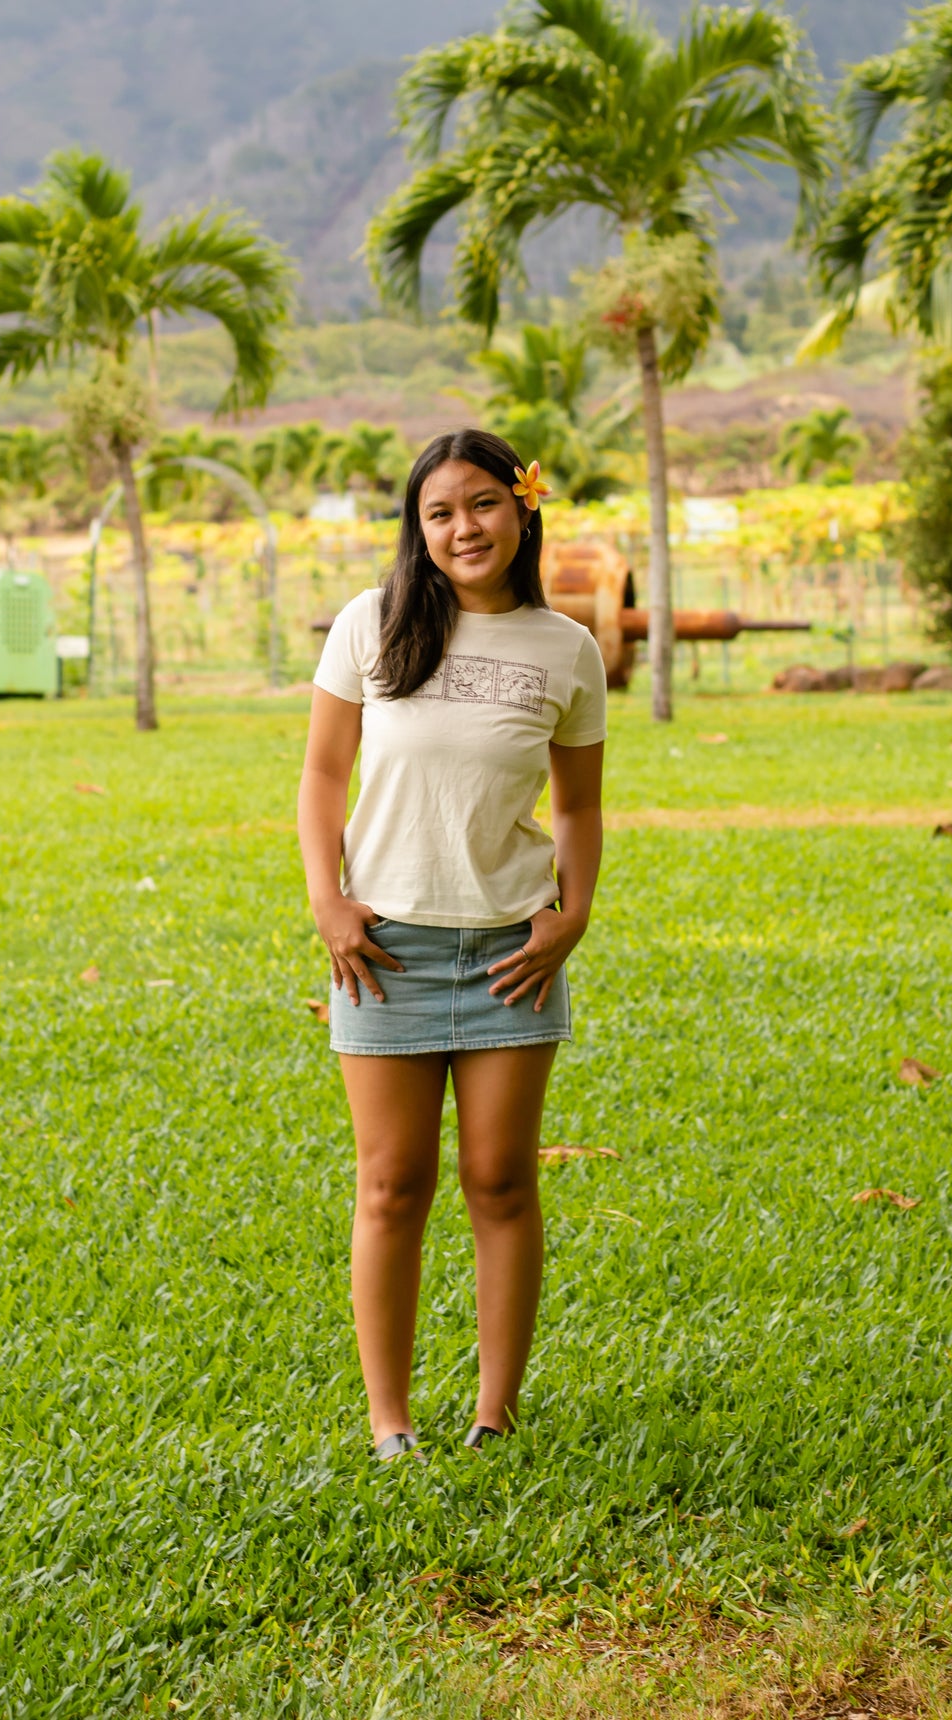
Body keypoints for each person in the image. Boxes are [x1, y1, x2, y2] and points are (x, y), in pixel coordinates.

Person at [297, 428, 607, 1459]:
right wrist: (326, 901)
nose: (462, 526)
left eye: (481, 503)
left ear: (523, 509)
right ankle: (389, 1423)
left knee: (500, 1179)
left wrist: (574, 912)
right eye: (439, 511)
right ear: (416, 528)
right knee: (390, 1182)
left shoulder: (564, 648)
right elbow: (320, 778)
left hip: (510, 952)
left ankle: (493, 1411)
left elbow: (576, 807)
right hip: (381, 945)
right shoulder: (369, 626)